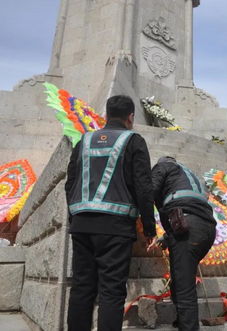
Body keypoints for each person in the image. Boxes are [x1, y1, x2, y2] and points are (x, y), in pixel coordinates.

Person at [65, 95, 156, 331]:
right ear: (131, 117)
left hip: (82, 225)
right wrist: (149, 228)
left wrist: (74, 218)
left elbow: (70, 183)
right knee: (112, 291)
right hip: (116, 228)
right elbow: (144, 186)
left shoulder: (84, 141)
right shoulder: (133, 140)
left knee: (82, 288)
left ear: (106, 115)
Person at [150, 156, 216, 331]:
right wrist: (167, 237)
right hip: (207, 228)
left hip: (188, 229)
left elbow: (149, 190)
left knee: (184, 288)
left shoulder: (163, 167)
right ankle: (182, 321)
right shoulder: (189, 175)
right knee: (180, 278)